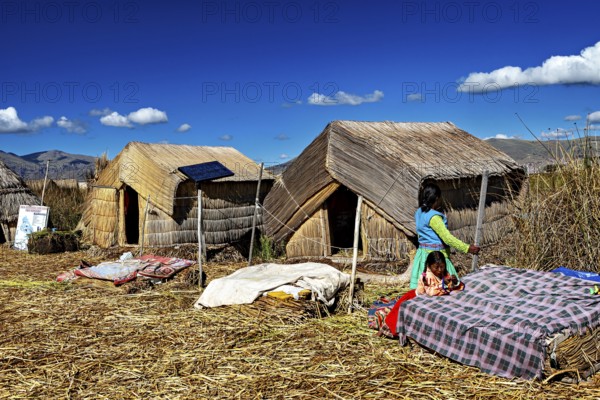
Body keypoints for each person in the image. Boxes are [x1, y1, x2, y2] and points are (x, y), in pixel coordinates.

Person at [410, 183, 480, 290]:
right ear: (437, 198)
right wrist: (467, 248)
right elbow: (447, 238)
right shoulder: (434, 217)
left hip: (423, 256)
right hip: (436, 258)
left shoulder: (419, 212)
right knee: (446, 288)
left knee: (425, 288)